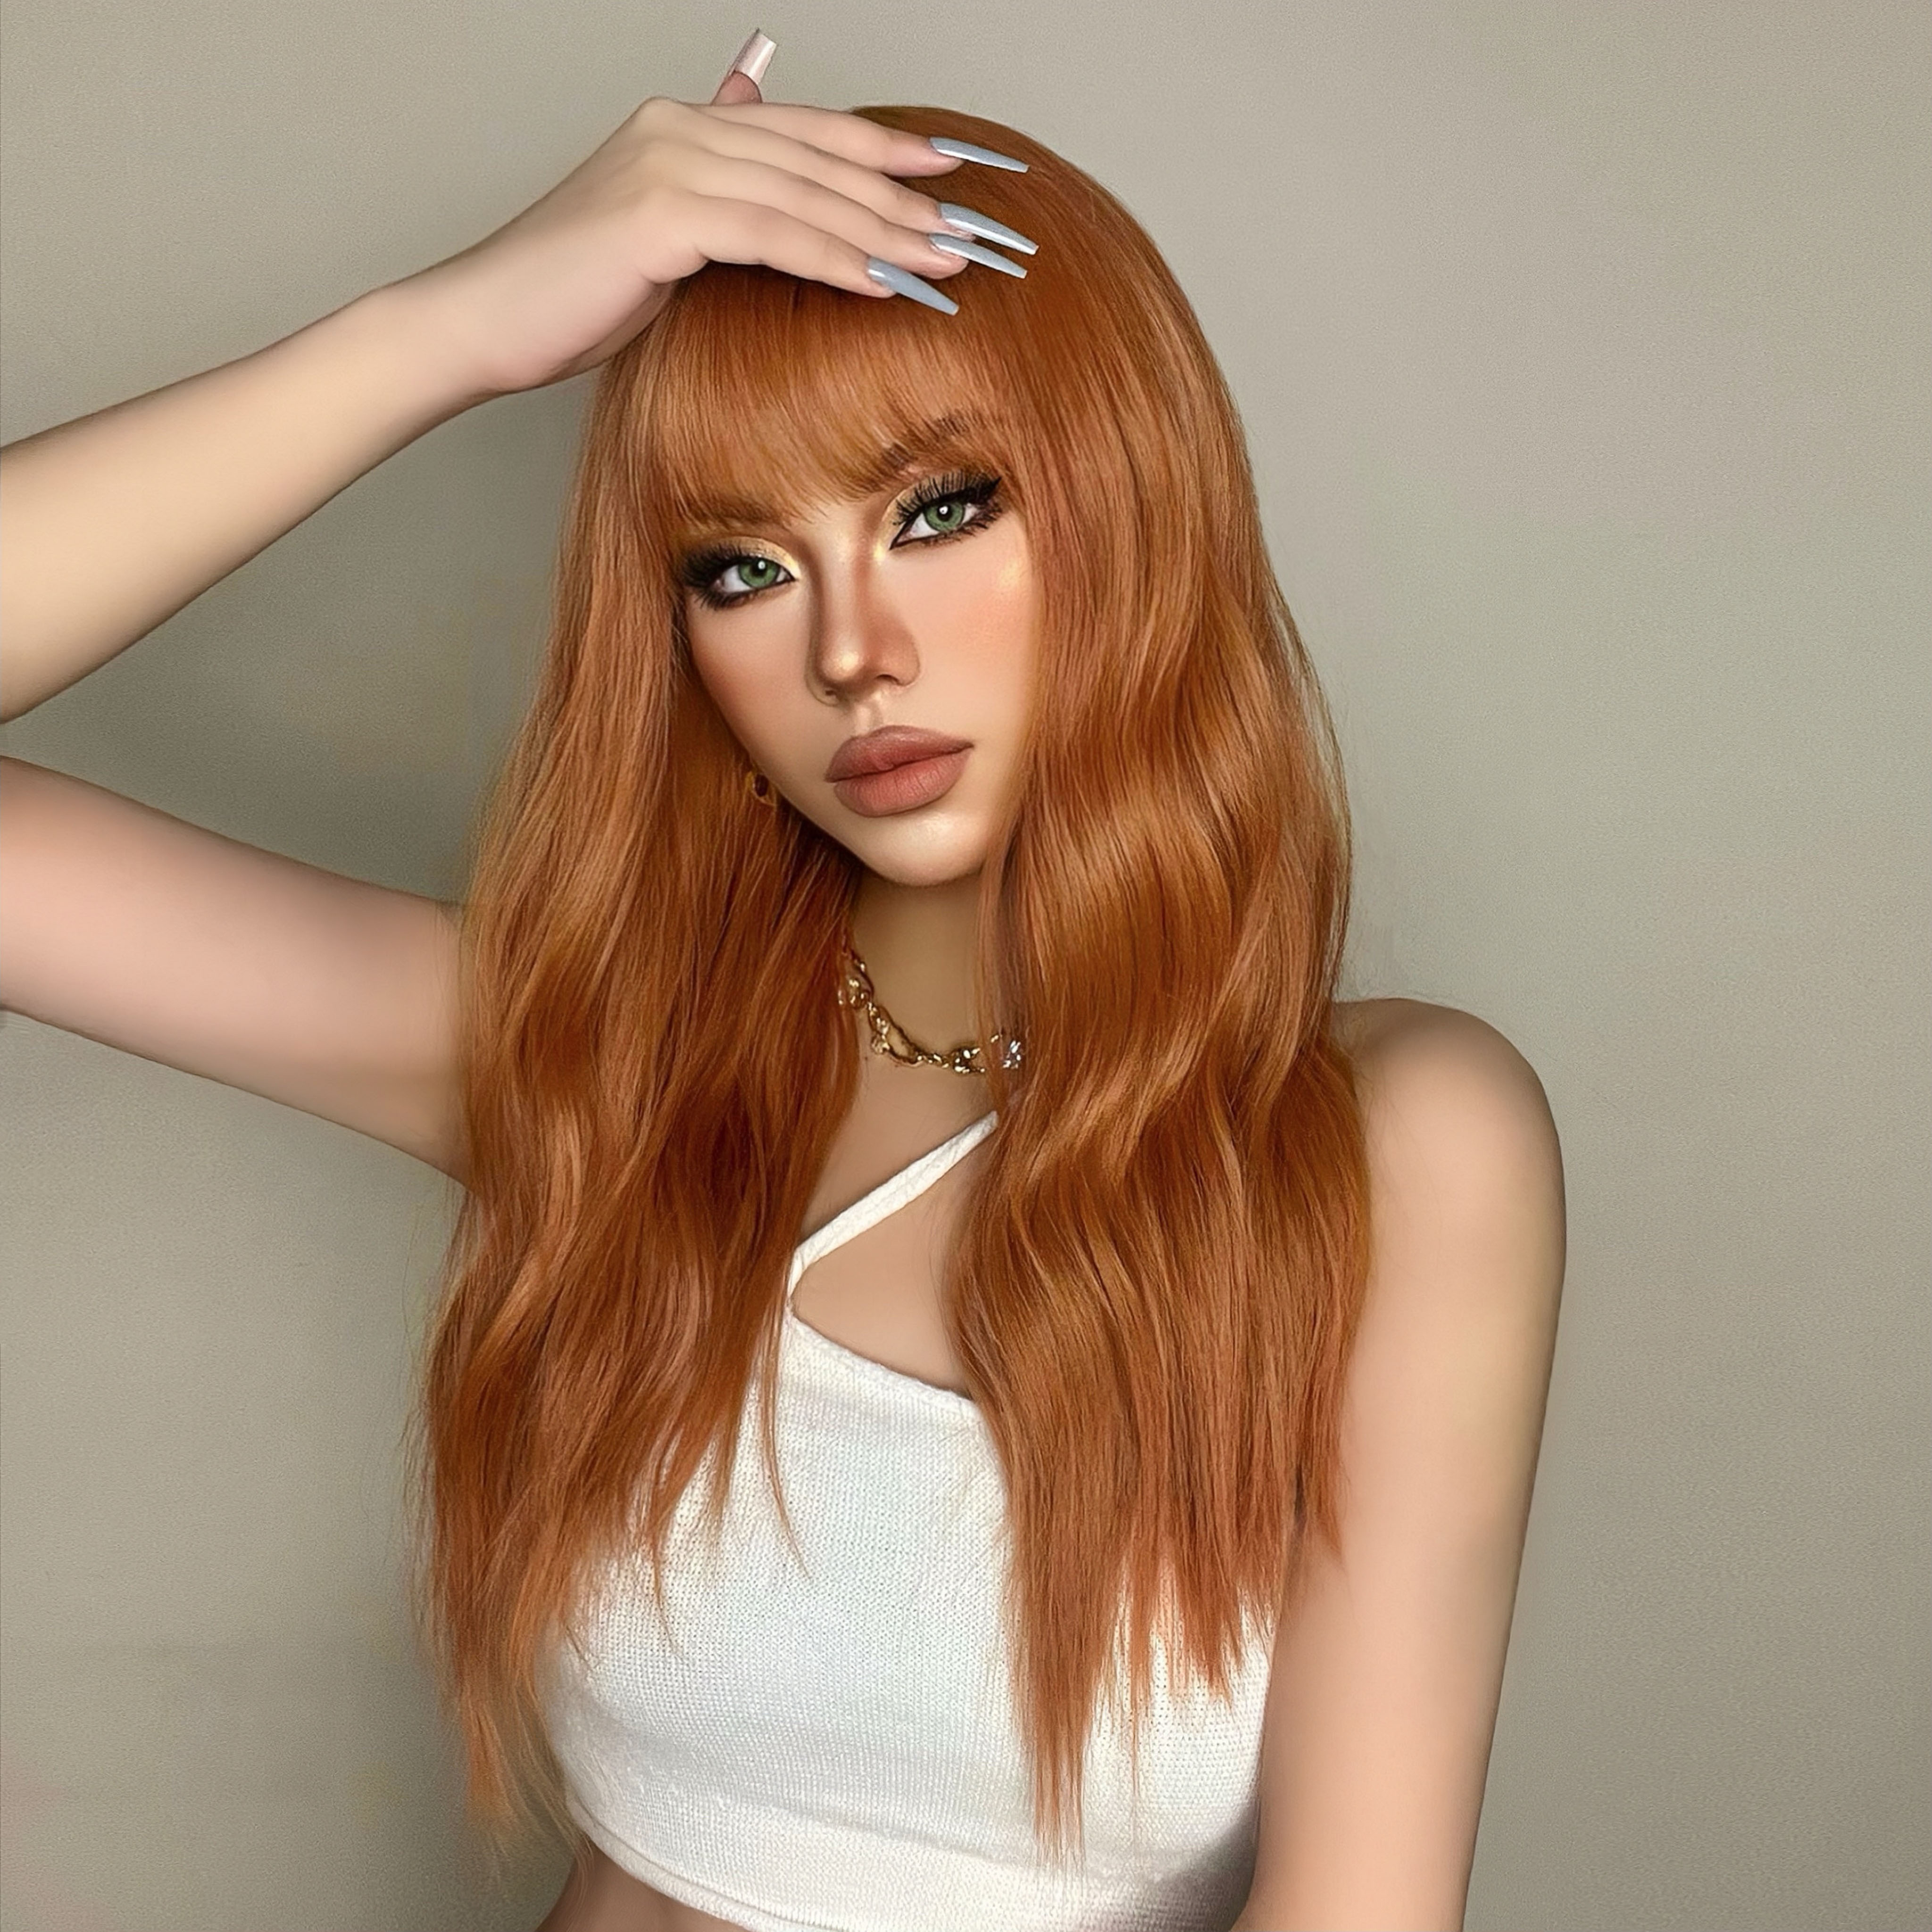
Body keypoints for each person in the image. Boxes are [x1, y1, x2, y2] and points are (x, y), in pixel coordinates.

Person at [0, 29, 1567, 1932]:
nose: (852, 652)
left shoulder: (1389, 1149)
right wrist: (447, 332)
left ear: (1134, 501)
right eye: (741, 567)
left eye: (939, 509)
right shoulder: (599, 1070)